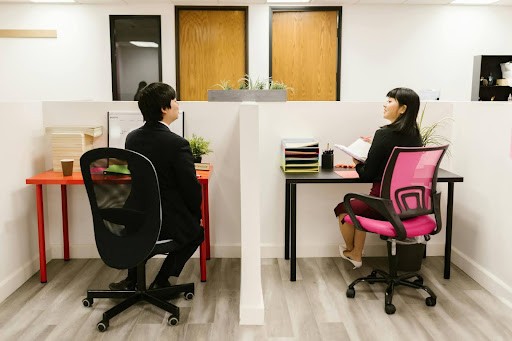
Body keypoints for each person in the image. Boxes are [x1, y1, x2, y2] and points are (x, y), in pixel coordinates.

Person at [109, 82, 204, 290]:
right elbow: (190, 187)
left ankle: (131, 280)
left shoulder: (132, 138)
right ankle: (161, 282)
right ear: (164, 108)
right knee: (197, 232)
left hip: (135, 218)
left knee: (140, 236)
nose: (178, 104)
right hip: (165, 220)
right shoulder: (177, 144)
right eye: (174, 100)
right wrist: (196, 213)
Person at [334, 87, 423, 269]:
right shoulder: (415, 136)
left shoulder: (383, 134)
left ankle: (353, 252)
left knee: (344, 208)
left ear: (403, 109)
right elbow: (394, 163)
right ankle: (356, 253)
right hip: (408, 204)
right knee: (360, 207)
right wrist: (373, 146)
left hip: (382, 204)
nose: (385, 104)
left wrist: (357, 161)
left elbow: (368, 174)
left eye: (390, 101)